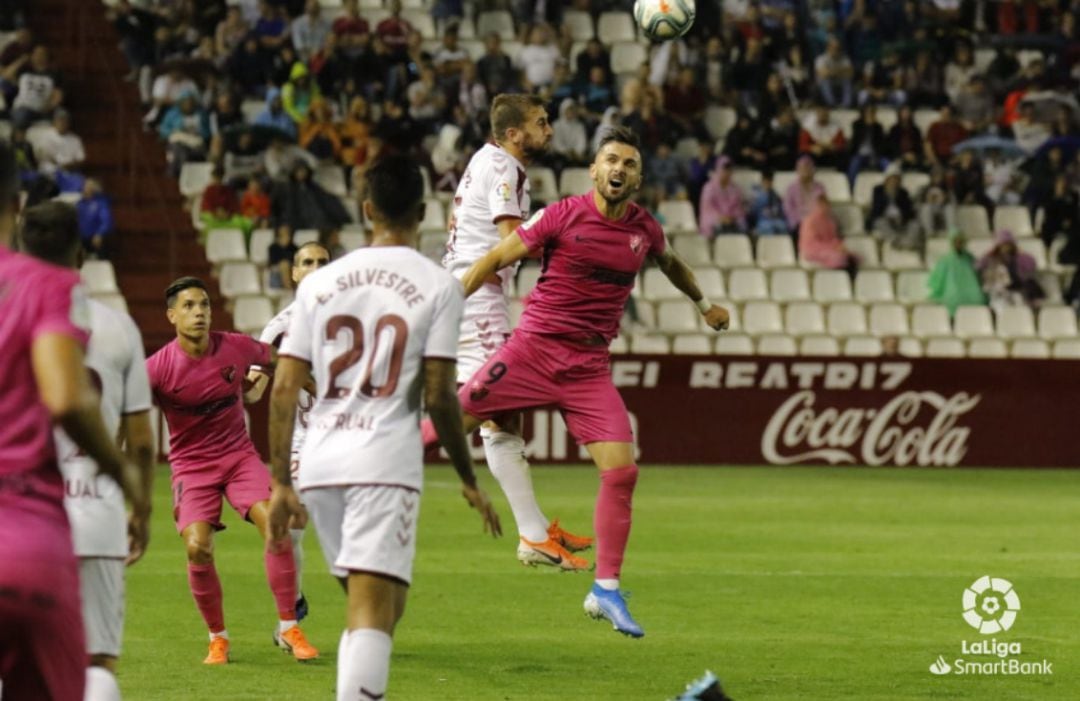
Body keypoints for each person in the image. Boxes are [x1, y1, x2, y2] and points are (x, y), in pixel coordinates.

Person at [424, 127, 730, 637]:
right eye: (611, 159)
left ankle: (605, 591)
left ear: (638, 178)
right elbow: (500, 257)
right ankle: (357, 473)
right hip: (531, 352)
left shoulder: (644, 229)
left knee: (622, 472)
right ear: (594, 169)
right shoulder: (563, 214)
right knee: (444, 428)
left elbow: (672, 263)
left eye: (630, 164)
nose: (619, 169)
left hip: (588, 368)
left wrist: (704, 306)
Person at [265, 154, 501, 701]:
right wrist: (467, 476)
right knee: (375, 609)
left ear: (365, 209)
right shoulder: (439, 285)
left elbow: (282, 387)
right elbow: (442, 396)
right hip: (383, 462)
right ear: (423, 211)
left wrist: (280, 482)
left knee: (378, 605)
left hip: (320, 463)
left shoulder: (319, 284)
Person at [0, 143, 145, 700]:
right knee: (94, 670)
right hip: (41, 526)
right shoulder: (56, 292)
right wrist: (125, 476)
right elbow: (67, 396)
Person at [440, 93, 594, 569]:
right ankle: (529, 535)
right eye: (540, 123)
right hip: (477, 297)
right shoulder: (505, 168)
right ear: (513, 134)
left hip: (476, 294)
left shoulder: (488, 161)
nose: (549, 130)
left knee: (503, 413)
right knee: (493, 408)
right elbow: (514, 239)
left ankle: (534, 526)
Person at [146, 276, 319, 665]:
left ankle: (290, 627)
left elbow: (279, 359)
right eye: (189, 306)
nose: (199, 313)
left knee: (278, 524)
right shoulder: (157, 369)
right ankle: (218, 638)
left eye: (204, 305)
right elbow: (126, 405)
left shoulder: (235, 347)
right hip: (192, 468)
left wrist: (312, 384)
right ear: (172, 316)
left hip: (238, 457)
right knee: (197, 548)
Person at [245, 241, 332, 625]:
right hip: (305, 440)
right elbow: (255, 389)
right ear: (294, 273)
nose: (315, 267)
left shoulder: (355, 318)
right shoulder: (279, 328)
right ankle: (291, 606)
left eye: (322, 262)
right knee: (293, 522)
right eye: (307, 262)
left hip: (351, 437)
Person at [977, 229, 1044, 312]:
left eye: (1008, 244)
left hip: (1017, 289)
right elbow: (979, 266)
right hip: (999, 291)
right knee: (1000, 307)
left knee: (1022, 305)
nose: (1006, 247)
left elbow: (1031, 265)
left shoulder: (1019, 257)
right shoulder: (991, 258)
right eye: (1003, 244)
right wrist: (989, 255)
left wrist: (1020, 252)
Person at [927, 228, 986, 316]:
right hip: (952, 293)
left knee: (979, 299)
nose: (958, 244)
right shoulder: (945, 260)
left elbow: (979, 277)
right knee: (952, 300)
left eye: (960, 241)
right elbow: (938, 281)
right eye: (956, 241)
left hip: (972, 292)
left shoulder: (970, 258)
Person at [799, 193, 858, 278]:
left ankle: (850, 284)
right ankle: (838, 281)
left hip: (829, 248)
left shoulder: (830, 221)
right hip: (813, 250)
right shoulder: (809, 221)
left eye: (826, 204)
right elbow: (810, 242)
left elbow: (833, 238)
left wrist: (840, 246)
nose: (826, 207)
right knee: (838, 258)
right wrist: (833, 247)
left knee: (850, 257)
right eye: (822, 205)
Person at [869, 164, 922, 250]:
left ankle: (908, 244)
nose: (894, 181)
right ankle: (896, 241)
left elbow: (908, 211)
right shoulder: (878, 190)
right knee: (879, 222)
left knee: (915, 225)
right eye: (892, 178)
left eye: (896, 179)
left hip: (900, 221)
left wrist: (900, 217)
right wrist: (887, 195)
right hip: (884, 219)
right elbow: (876, 209)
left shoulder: (903, 192)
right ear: (887, 179)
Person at [698, 156, 747, 237]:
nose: (727, 173)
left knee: (742, 226)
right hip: (715, 221)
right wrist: (721, 218)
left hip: (732, 220)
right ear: (719, 169)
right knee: (719, 228)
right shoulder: (709, 188)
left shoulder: (735, 189)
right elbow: (707, 209)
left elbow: (738, 208)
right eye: (725, 169)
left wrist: (732, 218)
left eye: (729, 170)